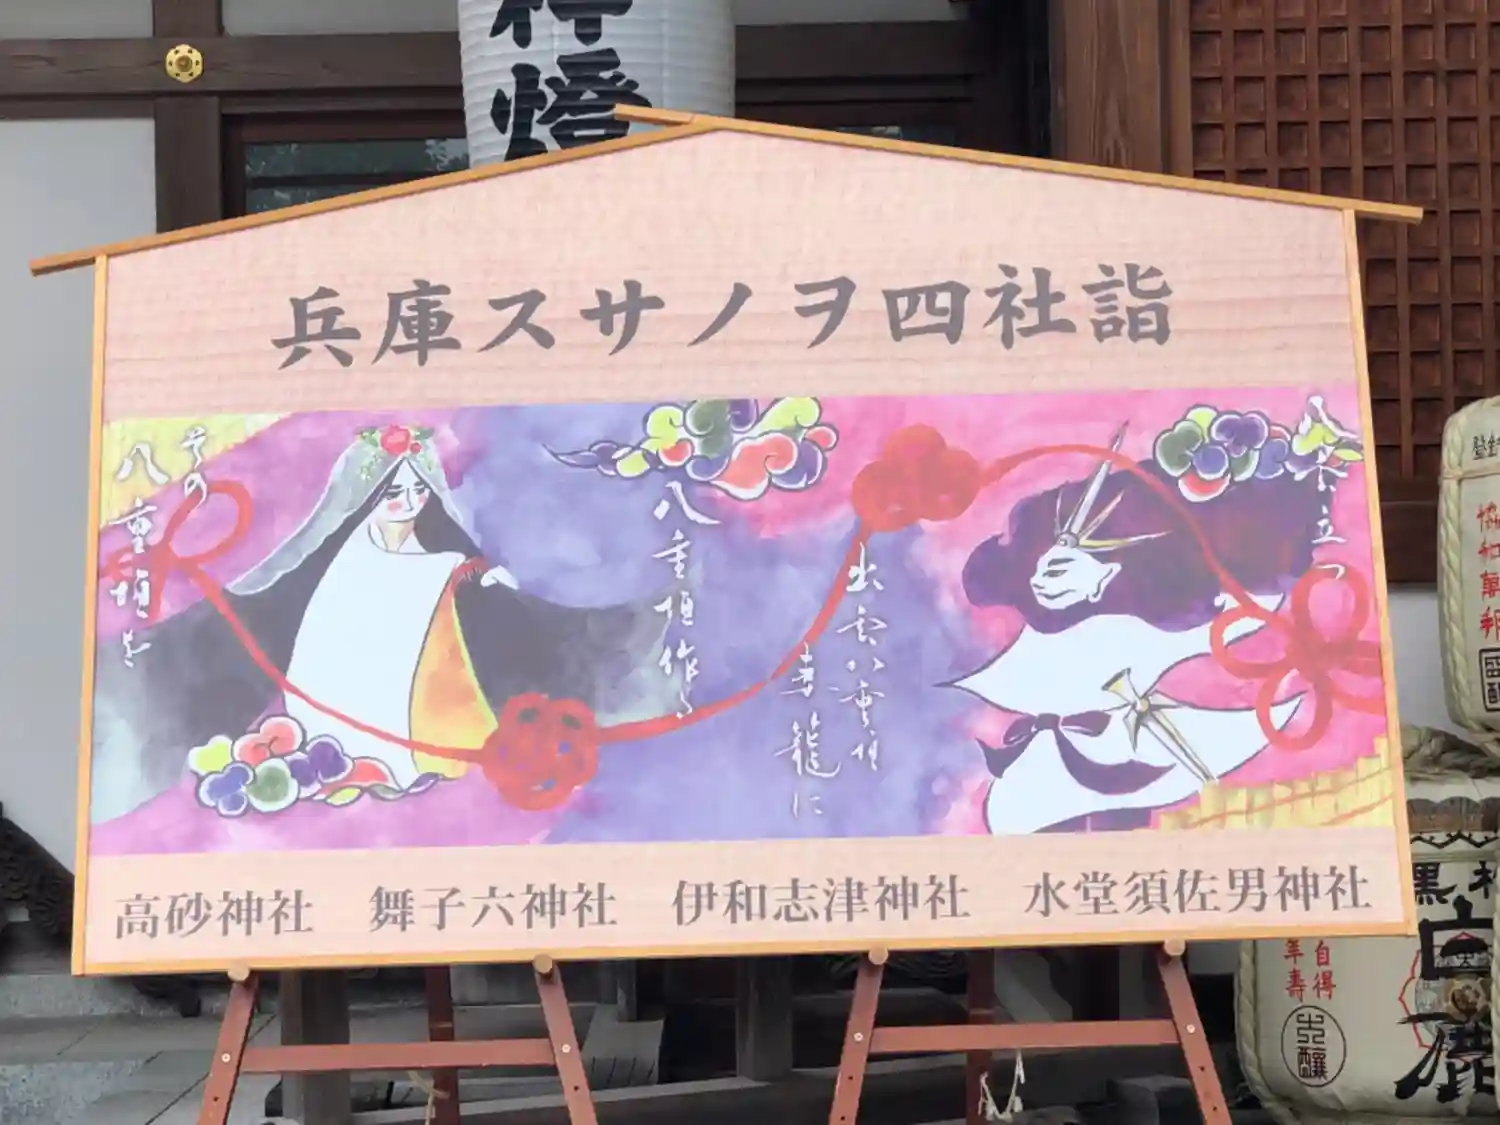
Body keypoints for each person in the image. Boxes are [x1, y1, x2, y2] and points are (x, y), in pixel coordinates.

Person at [90, 423, 675, 823]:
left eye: (416, 490)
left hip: (412, 667)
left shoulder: (437, 556)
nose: (406, 500)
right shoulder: (344, 558)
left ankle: (397, 759)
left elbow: (443, 569)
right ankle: (343, 753)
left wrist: (477, 573)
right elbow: (329, 612)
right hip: (344, 667)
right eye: (393, 490)